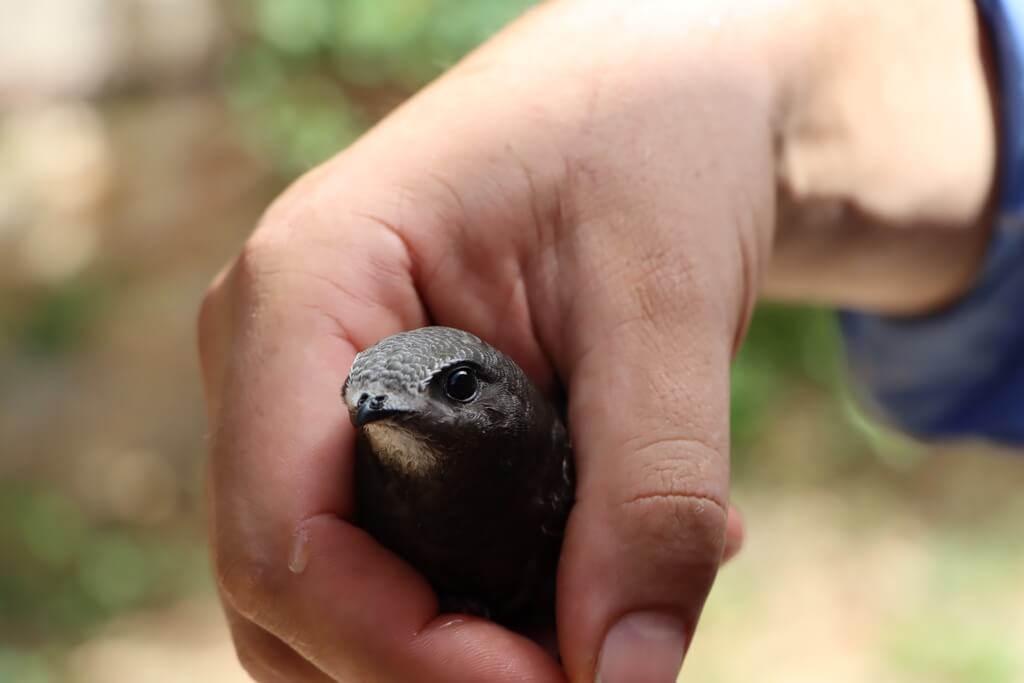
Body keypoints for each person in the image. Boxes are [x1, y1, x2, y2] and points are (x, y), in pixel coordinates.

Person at [197, 1, 1022, 681]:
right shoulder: (378, 498)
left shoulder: (540, 448)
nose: (384, 408)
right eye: (366, 406)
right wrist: (759, 65)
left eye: (451, 386)